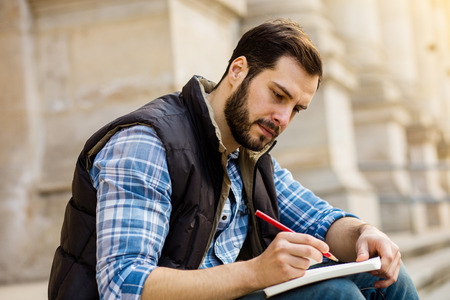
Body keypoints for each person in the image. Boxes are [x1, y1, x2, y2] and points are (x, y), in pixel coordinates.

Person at [48, 19, 419, 300]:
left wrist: (364, 233)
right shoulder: (147, 144)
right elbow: (123, 284)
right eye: (277, 94)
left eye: (297, 109)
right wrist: (257, 272)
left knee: (387, 277)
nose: (283, 118)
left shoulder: (248, 154)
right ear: (238, 71)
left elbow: (321, 220)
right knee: (334, 296)